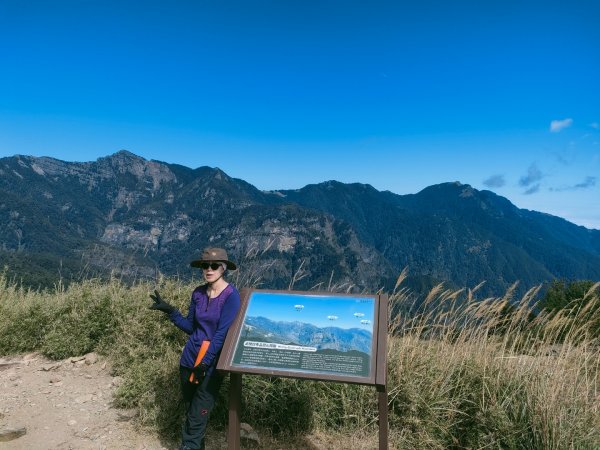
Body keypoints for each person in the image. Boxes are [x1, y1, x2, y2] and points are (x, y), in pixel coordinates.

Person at [149, 247, 241, 450]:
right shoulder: (198, 293)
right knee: (192, 409)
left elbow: (221, 334)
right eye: (205, 265)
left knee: (198, 413)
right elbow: (191, 327)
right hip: (189, 359)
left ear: (223, 268)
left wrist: (206, 362)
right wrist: (171, 311)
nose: (209, 269)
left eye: (214, 265)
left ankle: (188, 447)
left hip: (210, 364)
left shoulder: (231, 296)